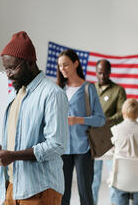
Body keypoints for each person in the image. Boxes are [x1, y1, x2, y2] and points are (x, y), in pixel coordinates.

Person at [0, 31, 69, 205]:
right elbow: (19, 138)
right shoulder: (14, 95)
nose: (8, 74)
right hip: (11, 186)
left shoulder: (52, 94)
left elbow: (57, 145)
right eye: (5, 69)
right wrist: (2, 148)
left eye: (12, 68)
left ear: (30, 63)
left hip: (40, 190)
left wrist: (13, 155)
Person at [57, 49, 106, 205]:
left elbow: (100, 120)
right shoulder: (58, 90)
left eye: (65, 65)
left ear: (76, 63)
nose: (62, 69)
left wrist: (77, 120)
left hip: (83, 148)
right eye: (60, 66)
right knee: (62, 193)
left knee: (85, 192)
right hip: (62, 147)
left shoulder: (88, 88)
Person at [91, 59, 127, 205]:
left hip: (112, 139)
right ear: (96, 72)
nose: (103, 75)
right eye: (100, 72)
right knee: (93, 177)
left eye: (106, 72)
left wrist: (107, 120)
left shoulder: (118, 90)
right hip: (92, 139)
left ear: (110, 72)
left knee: (114, 175)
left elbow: (123, 113)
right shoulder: (91, 89)